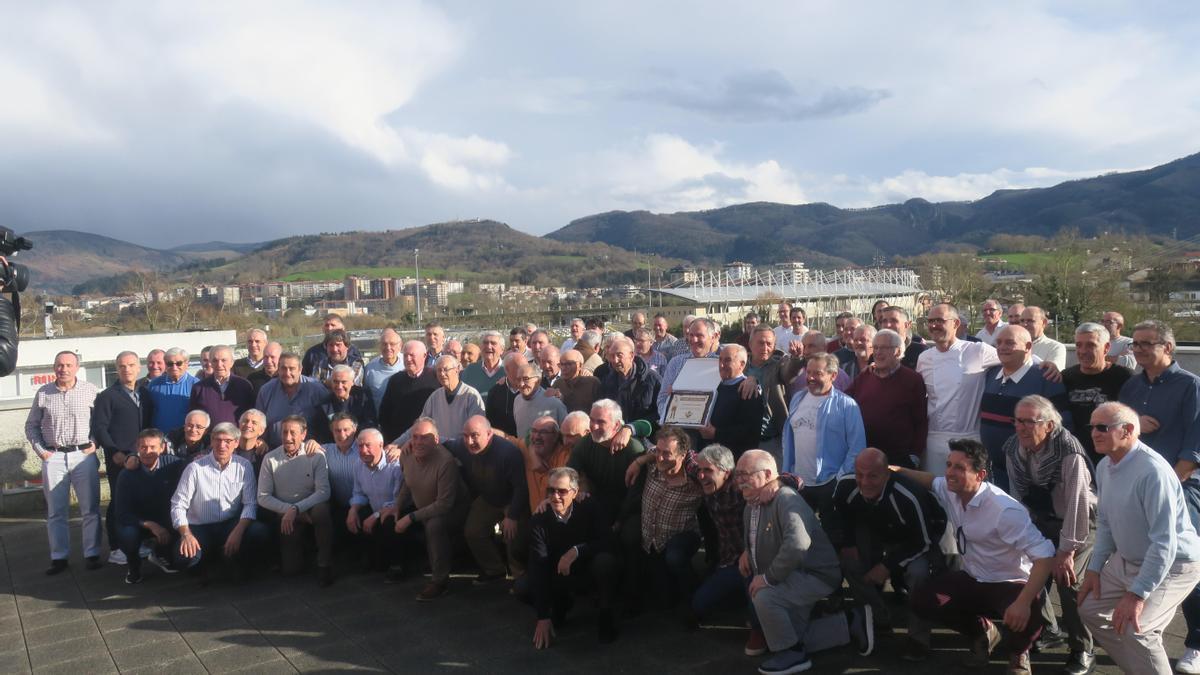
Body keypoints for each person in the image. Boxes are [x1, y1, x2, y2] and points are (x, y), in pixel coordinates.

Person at [900, 439, 1055, 673]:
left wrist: (1022, 603)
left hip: (1009, 583)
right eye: (949, 465)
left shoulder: (1005, 511)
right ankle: (983, 633)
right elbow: (930, 480)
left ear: (980, 474)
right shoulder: (952, 489)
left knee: (1029, 609)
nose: (950, 473)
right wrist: (892, 469)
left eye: (959, 468)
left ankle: (1019, 655)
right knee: (922, 600)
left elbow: (1045, 558)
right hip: (972, 578)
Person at [1079, 402, 1200, 674]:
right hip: (1129, 559)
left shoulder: (1152, 472)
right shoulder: (1104, 466)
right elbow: (1106, 524)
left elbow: (1164, 544)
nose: (1094, 433)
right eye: (1092, 427)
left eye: (1102, 427)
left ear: (1128, 431)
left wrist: (1137, 594)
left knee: (1139, 630)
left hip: (1175, 564)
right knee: (1089, 609)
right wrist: (1094, 569)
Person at [737, 450, 872, 674]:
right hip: (792, 574)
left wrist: (768, 579)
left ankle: (793, 656)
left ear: (768, 474)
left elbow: (798, 543)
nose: (739, 480)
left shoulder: (785, 498)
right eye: (737, 474)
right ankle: (851, 621)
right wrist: (746, 551)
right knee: (789, 637)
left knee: (764, 596)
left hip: (814, 574)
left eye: (745, 474)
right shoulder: (750, 505)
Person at [1003, 395, 1097, 675]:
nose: (1020, 427)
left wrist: (1065, 552)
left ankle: (1083, 649)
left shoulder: (1069, 452)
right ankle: (1048, 629)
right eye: (1017, 420)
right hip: (1042, 520)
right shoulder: (1012, 448)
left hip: (1079, 522)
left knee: (1068, 580)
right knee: (1027, 571)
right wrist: (1023, 539)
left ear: (1049, 424)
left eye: (1028, 422)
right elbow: (1018, 498)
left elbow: (1078, 505)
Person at [830, 448, 946, 662]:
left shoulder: (909, 496)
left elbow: (924, 541)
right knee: (848, 559)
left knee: (918, 573)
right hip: (876, 527)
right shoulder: (846, 486)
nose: (864, 482)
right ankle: (877, 617)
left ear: (887, 474)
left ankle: (918, 638)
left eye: (873, 476)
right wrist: (848, 543)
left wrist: (886, 565)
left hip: (917, 535)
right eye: (859, 474)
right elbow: (842, 514)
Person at [26, 351, 103, 574]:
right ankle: (59, 557)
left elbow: (100, 421)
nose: (64, 369)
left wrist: (95, 443)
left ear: (77, 367)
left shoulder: (90, 391)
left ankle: (92, 553)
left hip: (83, 455)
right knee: (56, 511)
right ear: (54, 367)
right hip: (54, 456)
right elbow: (31, 425)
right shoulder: (44, 393)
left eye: (69, 365)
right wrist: (41, 451)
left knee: (90, 508)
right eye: (60, 365)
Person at [526, 467, 620, 648]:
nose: (555, 496)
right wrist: (542, 616)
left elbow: (609, 541)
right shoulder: (539, 520)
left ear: (575, 492)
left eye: (561, 491)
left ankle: (606, 615)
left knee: (606, 563)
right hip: (557, 571)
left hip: (588, 567)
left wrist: (577, 551)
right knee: (524, 587)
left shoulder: (589, 506)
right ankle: (560, 606)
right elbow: (539, 565)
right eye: (550, 490)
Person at [383, 417, 470, 601]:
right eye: (415, 437)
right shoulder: (406, 454)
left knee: (434, 525)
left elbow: (444, 504)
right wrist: (397, 506)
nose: (418, 442)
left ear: (436, 440)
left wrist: (410, 518)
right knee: (390, 517)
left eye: (425, 437)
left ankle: (439, 581)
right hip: (424, 506)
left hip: (453, 509)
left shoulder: (446, 462)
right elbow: (408, 483)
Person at [170, 421, 269, 580]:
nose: (222, 445)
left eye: (228, 441)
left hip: (229, 524)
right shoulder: (195, 468)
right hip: (200, 527)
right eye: (218, 440)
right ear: (211, 441)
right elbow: (178, 505)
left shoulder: (244, 466)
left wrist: (238, 531)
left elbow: (250, 503)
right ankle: (208, 562)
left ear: (236, 443)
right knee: (184, 558)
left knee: (260, 532)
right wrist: (186, 534)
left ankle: (228, 559)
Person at [979, 324, 1071, 491]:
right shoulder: (991, 375)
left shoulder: (1047, 378)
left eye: (1009, 343)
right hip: (995, 472)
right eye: (998, 343)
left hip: (1030, 476)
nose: (1001, 347)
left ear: (1028, 347)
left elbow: (1062, 427)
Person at [624, 426, 704, 612]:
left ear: (683, 455)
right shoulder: (653, 466)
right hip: (652, 543)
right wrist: (639, 461)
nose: (660, 457)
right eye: (658, 452)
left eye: (667, 454)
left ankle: (691, 599)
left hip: (679, 541)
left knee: (675, 559)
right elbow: (652, 451)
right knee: (662, 603)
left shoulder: (695, 480)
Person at [916, 303, 1002, 474]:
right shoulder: (924, 357)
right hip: (934, 439)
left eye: (939, 320)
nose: (933, 325)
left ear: (955, 324)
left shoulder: (978, 350)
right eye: (930, 321)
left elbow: (1013, 356)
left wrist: (1045, 364)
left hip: (970, 439)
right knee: (936, 492)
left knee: (969, 494)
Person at [445, 416, 530, 583]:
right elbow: (442, 441)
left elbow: (521, 487)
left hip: (512, 500)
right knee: (473, 531)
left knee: (512, 534)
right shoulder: (462, 446)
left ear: (489, 433)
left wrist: (512, 516)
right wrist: (405, 445)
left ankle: (520, 576)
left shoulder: (508, 453)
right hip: (489, 499)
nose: (469, 441)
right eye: (466, 435)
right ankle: (494, 569)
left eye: (475, 435)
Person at [782, 353, 866, 518]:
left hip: (829, 484)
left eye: (818, 373)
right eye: (809, 372)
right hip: (799, 482)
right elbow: (789, 436)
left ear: (833, 375)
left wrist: (839, 479)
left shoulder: (847, 405)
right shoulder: (798, 398)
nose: (811, 377)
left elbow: (857, 447)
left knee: (831, 536)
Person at [257, 416, 334, 586]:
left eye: (293, 432)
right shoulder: (270, 458)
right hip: (287, 513)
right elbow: (263, 496)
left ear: (303, 434)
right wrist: (289, 509)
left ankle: (324, 563)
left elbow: (324, 492)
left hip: (311, 506)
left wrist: (296, 509)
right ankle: (304, 549)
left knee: (322, 511)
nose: (288, 437)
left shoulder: (316, 456)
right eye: (284, 432)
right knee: (291, 570)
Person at [1119, 319, 1200, 479]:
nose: (1138, 349)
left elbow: (1194, 448)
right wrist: (1134, 423)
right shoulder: (1131, 386)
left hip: (1179, 483)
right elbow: (1116, 431)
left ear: (1167, 347)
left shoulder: (1191, 386)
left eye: (1146, 344)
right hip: (1135, 478)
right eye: (1134, 344)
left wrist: (1170, 484)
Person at [92, 350, 149, 565]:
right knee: (119, 502)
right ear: (117, 368)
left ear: (138, 367)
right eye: (122, 366)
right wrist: (113, 451)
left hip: (143, 455)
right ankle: (117, 547)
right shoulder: (107, 396)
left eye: (131, 365)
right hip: (119, 457)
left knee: (140, 500)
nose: (127, 369)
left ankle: (139, 541)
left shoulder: (145, 393)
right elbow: (100, 427)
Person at [846, 329, 927, 469]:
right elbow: (843, 401)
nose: (877, 352)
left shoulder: (913, 380)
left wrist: (914, 455)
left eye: (883, 348)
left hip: (899, 459)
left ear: (897, 351)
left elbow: (921, 420)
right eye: (875, 347)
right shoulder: (864, 377)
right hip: (865, 455)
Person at [113, 429, 185, 583]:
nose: (147, 452)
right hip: (137, 521)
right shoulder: (127, 474)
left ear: (162, 448)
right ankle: (134, 565)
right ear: (137, 448)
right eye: (143, 447)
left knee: (182, 559)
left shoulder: (174, 464)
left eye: (153, 447)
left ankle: (161, 552)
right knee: (128, 535)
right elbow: (121, 513)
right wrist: (150, 525)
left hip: (166, 519)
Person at [567, 399, 646, 535]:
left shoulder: (633, 449)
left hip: (628, 508)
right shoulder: (585, 443)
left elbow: (635, 495)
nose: (594, 426)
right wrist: (578, 487)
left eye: (601, 422)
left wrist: (619, 521)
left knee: (630, 533)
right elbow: (569, 473)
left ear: (616, 425)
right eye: (592, 420)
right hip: (597, 503)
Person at [1063, 322, 1133, 465]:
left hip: (1112, 459)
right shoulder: (1065, 377)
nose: (1082, 351)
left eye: (1090, 345)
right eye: (1078, 345)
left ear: (1106, 348)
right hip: (1075, 457)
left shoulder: (1123, 377)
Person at [344, 428, 404, 580]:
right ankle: (368, 556)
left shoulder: (395, 466)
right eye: (360, 446)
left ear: (380, 445)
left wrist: (377, 515)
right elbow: (359, 493)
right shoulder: (358, 465)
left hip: (395, 510)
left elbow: (399, 500)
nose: (363, 450)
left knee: (389, 521)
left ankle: (397, 565)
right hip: (374, 508)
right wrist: (353, 509)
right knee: (356, 515)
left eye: (368, 445)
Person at [390, 355, 485, 447]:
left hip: (464, 451)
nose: (442, 374)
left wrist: (445, 442)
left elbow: (476, 433)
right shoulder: (435, 397)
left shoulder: (470, 396)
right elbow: (419, 425)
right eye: (439, 370)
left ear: (457, 369)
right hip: (439, 452)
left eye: (445, 369)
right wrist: (396, 444)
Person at [688, 344, 761, 459]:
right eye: (720, 359)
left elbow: (750, 432)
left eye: (727, 360)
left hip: (731, 460)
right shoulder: (713, 384)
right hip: (706, 456)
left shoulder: (748, 390)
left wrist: (716, 433)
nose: (721, 365)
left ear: (742, 364)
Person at [255, 352, 330, 448]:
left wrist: (318, 442)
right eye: (283, 368)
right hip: (274, 451)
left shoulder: (316, 389)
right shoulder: (266, 390)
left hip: (308, 451)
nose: (287, 373)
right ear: (278, 369)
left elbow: (328, 423)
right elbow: (258, 420)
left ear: (300, 369)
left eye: (292, 369)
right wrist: (260, 439)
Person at [657, 317, 721, 420]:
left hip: (710, 428)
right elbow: (662, 398)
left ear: (712, 337)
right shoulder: (675, 363)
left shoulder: (720, 364)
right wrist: (668, 417)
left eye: (699, 335)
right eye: (691, 335)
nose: (694, 340)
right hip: (679, 427)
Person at [597, 336, 661, 435]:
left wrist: (632, 428)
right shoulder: (607, 382)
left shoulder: (652, 379)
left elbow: (660, 412)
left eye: (619, 355)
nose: (615, 360)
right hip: (614, 434)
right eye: (611, 356)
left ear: (631, 356)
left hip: (645, 436)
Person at [377, 339, 439, 443]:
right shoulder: (395, 380)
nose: (408, 359)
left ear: (424, 356)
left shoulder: (435, 378)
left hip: (426, 441)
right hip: (398, 443)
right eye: (405, 355)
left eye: (412, 355)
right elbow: (384, 414)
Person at [519, 415, 577, 514]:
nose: (537, 436)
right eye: (534, 431)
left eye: (543, 432)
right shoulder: (526, 448)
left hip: (561, 521)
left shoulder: (567, 457)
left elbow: (578, 490)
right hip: (536, 521)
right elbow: (504, 436)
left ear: (555, 436)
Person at [188, 345, 255, 427]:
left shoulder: (244, 386)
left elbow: (252, 415)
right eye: (215, 360)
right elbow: (193, 418)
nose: (219, 364)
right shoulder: (199, 388)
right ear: (211, 363)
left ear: (232, 362)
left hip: (236, 438)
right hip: (209, 438)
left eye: (224, 360)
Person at [322, 412, 360, 546]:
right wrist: (310, 442)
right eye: (337, 430)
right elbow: (305, 447)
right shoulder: (326, 450)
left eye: (346, 430)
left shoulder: (364, 450)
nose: (342, 434)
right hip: (338, 505)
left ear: (354, 430)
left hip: (363, 505)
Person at [314, 364, 377, 444]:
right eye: (335, 382)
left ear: (352, 382)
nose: (339, 386)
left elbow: (371, 423)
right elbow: (321, 433)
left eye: (343, 382)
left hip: (360, 444)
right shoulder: (324, 405)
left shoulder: (363, 398)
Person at [146, 347, 198, 433]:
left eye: (179, 363)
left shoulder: (196, 385)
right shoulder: (154, 385)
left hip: (184, 437)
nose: (174, 367)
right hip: (159, 437)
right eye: (170, 363)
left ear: (186, 364)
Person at [513, 362, 568, 439]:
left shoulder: (554, 404)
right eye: (518, 379)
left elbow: (565, 434)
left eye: (526, 379)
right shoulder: (517, 401)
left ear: (538, 380)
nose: (521, 384)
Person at [363, 327, 405, 409]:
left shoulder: (407, 364)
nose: (388, 348)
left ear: (400, 346)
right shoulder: (370, 368)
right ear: (380, 346)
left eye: (392, 344)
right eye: (384, 344)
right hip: (378, 419)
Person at [485, 353, 526, 437]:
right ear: (507, 369)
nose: (524, 371)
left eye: (526, 367)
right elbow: (489, 422)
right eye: (520, 367)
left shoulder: (532, 389)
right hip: (503, 443)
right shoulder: (495, 392)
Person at [550, 348, 602, 413]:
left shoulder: (592, 383)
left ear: (580, 365)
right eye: (561, 364)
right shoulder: (558, 384)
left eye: (568, 364)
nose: (563, 368)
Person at [236, 408, 270, 476]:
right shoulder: (228, 449)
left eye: (254, 423)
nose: (248, 425)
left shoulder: (266, 456)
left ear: (261, 431)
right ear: (239, 425)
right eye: (245, 421)